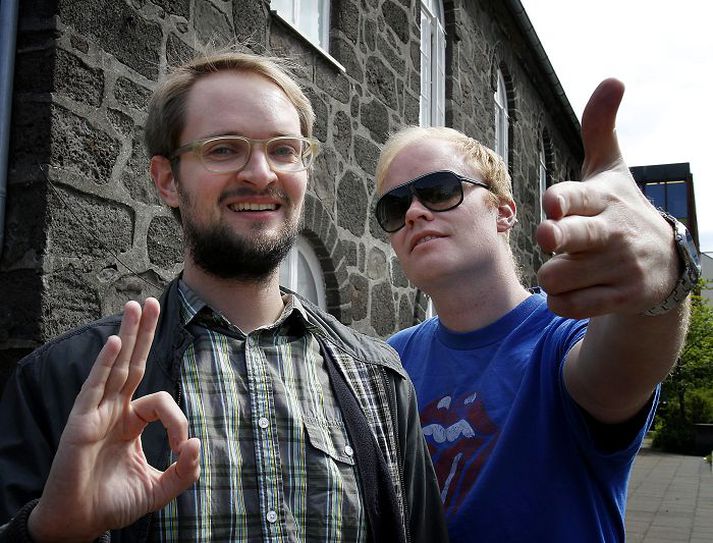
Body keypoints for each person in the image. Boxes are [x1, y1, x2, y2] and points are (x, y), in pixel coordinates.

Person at [0, 51, 447, 542]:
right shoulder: (63, 382)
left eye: (284, 150)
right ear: (167, 180)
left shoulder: (379, 380)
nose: (261, 173)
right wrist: (50, 532)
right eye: (223, 149)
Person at [374, 79, 700, 542]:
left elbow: (619, 372)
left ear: (504, 212)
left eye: (439, 190)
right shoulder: (390, 361)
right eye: (394, 206)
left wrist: (663, 280)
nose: (413, 212)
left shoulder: (564, 331)